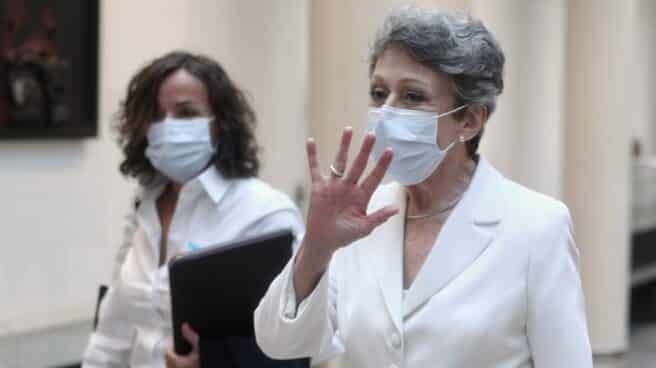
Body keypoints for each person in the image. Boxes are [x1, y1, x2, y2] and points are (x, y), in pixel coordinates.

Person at [254, 6, 593, 368]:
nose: (387, 111)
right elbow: (280, 343)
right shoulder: (360, 217)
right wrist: (316, 249)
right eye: (379, 93)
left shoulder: (537, 227)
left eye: (413, 97)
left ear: (469, 120)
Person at [81, 51, 306, 368]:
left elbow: (298, 345)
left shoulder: (265, 214)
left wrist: (216, 362)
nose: (167, 127)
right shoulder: (143, 212)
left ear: (221, 123)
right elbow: (109, 339)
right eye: (155, 116)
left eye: (185, 113)